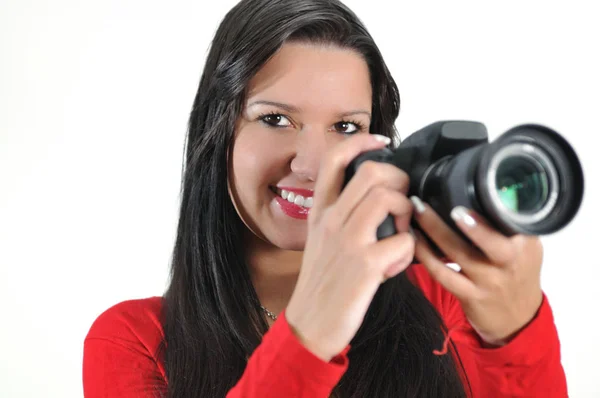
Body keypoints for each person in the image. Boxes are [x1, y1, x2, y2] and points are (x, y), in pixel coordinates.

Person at [82, 0, 568, 396]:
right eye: (275, 119)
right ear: (218, 131)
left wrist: (516, 337)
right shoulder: (135, 342)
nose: (312, 166)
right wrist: (313, 328)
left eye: (346, 127)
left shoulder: (444, 302)